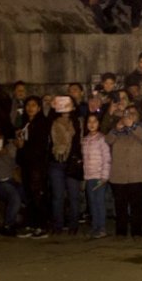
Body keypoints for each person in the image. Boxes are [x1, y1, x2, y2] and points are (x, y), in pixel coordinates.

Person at [105, 105, 142, 237]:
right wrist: (116, 129)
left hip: (137, 175)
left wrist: (132, 126)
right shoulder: (117, 130)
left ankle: (136, 232)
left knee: (137, 206)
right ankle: (121, 232)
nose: (129, 115)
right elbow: (107, 140)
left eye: (133, 113)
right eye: (127, 113)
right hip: (119, 174)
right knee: (120, 206)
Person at [15, 96, 51, 238]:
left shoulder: (42, 123)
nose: (30, 108)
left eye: (33, 105)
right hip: (26, 163)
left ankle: (42, 226)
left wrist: (25, 145)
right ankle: (31, 224)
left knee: (38, 194)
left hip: (37, 164)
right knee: (29, 194)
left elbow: (40, 145)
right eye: (28, 105)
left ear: (39, 108)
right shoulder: (24, 123)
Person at [48, 96, 84, 235]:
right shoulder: (53, 121)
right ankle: (58, 225)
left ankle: (73, 226)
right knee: (58, 196)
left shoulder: (77, 122)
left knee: (74, 195)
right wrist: (51, 106)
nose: (64, 107)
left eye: (68, 104)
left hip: (73, 161)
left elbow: (79, 141)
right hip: (57, 161)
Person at [81, 113, 112, 239]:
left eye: (94, 121)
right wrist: (85, 176)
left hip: (99, 176)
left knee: (99, 202)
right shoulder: (85, 140)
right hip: (89, 177)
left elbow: (107, 158)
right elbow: (84, 159)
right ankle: (95, 227)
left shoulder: (102, 139)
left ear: (99, 124)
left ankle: (102, 227)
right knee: (92, 203)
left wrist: (104, 176)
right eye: (89, 121)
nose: (92, 124)